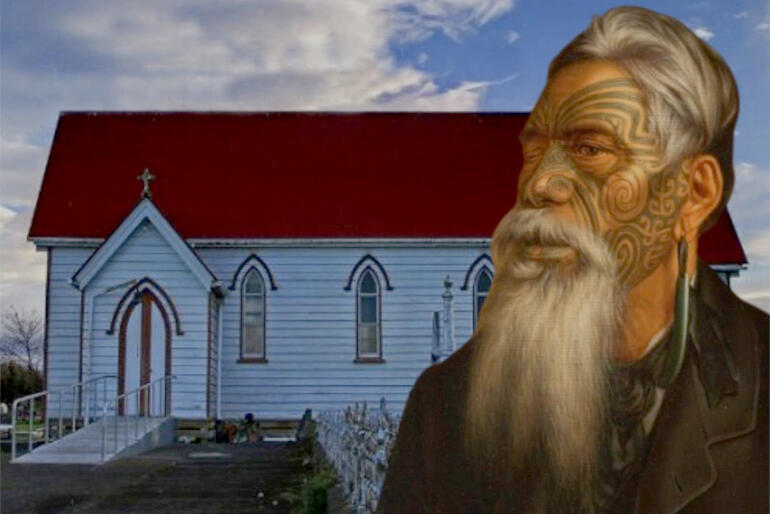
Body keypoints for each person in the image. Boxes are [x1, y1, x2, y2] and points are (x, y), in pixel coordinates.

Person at [377, 6, 768, 513]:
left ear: (693, 193)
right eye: (534, 151)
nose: (539, 183)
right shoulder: (445, 406)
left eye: (589, 149)